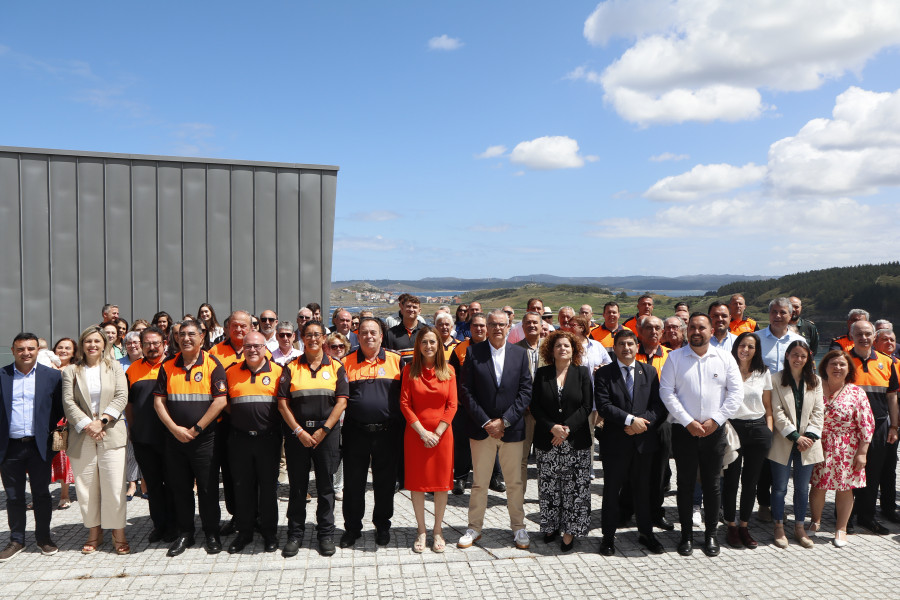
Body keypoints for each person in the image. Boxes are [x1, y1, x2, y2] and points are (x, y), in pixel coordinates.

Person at [660, 313, 743, 557]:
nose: (697, 331)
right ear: (687, 331)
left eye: (702, 327)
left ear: (711, 330)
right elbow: (667, 392)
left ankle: (710, 536)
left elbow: (735, 394)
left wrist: (715, 420)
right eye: (692, 327)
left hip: (714, 432)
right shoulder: (675, 358)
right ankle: (686, 535)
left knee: (712, 485)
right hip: (683, 431)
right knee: (685, 484)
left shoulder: (725, 358)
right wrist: (688, 422)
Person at [457, 310, 533, 550]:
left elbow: (525, 391)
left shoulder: (520, 355)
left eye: (502, 324)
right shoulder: (472, 352)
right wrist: (487, 423)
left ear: (509, 326)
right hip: (482, 430)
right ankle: (474, 527)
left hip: (512, 430)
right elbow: (466, 392)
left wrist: (505, 421)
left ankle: (518, 527)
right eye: (493, 324)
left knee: (514, 483)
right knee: (479, 482)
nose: (498, 328)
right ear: (486, 328)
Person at [153, 319, 228, 557]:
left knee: (207, 489)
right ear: (176, 338)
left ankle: (211, 533)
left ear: (202, 338)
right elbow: (158, 401)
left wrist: (196, 429)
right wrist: (175, 429)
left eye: (191, 334)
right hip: (174, 439)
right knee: (180, 489)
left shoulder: (212, 364)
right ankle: (186, 533)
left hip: (204, 439)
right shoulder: (167, 366)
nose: (186, 338)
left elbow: (220, 401)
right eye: (182, 334)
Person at [277, 321, 347, 557]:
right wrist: (299, 432)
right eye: (309, 335)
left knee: (326, 487)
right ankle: (295, 534)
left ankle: (325, 534)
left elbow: (341, 402)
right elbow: (283, 404)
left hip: (326, 435)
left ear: (324, 338)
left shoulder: (336, 367)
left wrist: (323, 430)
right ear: (301, 338)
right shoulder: (291, 367)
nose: (313, 339)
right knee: (298, 487)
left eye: (317, 335)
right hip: (298, 436)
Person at [595, 329, 667, 556]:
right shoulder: (604, 374)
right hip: (615, 442)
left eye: (630, 344)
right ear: (614, 348)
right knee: (611, 490)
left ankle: (646, 533)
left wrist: (643, 424)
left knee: (643, 489)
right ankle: (608, 537)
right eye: (621, 344)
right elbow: (604, 405)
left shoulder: (649, 371)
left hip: (643, 442)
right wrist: (630, 420)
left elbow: (658, 405)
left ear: (637, 347)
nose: (626, 348)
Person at [62, 326, 130, 555]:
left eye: (97, 341)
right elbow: (68, 403)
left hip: (110, 431)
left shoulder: (116, 368)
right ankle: (94, 532)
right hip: (82, 435)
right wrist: (88, 425)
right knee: (86, 488)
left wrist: (101, 421)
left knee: (114, 487)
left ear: (104, 344)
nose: (92, 345)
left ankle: (118, 532)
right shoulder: (71, 371)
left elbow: (122, 396)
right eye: (88, 341)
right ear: (82, 345)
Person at [339, 317, 403, 548]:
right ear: (358, 335)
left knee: (385, 483)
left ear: (381, 336)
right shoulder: (346, 362)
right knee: (354, 483)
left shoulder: (396, 361)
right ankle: (352, 528)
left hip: (387, 433)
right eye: (364, 332)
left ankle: (382, 525)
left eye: (373, 332)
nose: (369, 336)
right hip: (355, 433)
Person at [0, 333, 64, 562]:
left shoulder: (52, 377)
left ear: (38, 350)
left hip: (40, 447)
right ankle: (16, 540)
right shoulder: (2, 375)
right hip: (10, 448)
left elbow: (59, 410)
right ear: (13, 350)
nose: (26, 353)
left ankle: (44, 538)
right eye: (21, 349)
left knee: (41, 494)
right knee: (14, 496)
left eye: (30, 348)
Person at [530, 328, 595, 553]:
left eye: (567, 345)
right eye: (558, 345)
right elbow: (535, 406)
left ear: (574, 349)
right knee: (549, 487)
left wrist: (566, 430)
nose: (562, 349)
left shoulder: (582, 372)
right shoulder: (542, 373)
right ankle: (550, 526)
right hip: (548, 440)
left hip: (575, 440)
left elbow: (587, 405)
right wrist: (552, 428)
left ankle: (569, 531)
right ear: (551, 349)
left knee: (574, 488)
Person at [224, 331, 284, 554]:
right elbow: (226, 403)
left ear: (265, 347)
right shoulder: (231, 372)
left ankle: (269, 533)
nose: (252, 350)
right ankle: (245, 533)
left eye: (257, 346)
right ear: (243, 347)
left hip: (268, 440)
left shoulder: (278, 372)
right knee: (242, 488)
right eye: (248, 346)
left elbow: (283, 405)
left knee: (268, 489)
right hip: (239, 439)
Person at [399, 327, 457, 553]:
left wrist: (438, 432)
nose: (429, 346)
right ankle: (421, 531)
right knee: (418, 484)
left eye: (433, 342)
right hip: (416, 434)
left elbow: (452, 405)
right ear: (418, 345)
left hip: (442, 436)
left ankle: (438, 530)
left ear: (439, 345)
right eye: (424, 342)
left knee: (441, 485)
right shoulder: (409, 371)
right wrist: (423, 433)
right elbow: (404, 404)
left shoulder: (449, 371)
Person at [808, 350, 875, 547]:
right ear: (825, 367)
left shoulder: (856, 392)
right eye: (833, 364)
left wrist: (863, 452)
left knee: (845, 488)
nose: (837, 368)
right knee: (818, 485)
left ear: (848, 369)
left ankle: (841, 528)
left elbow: (867, 424)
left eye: (842, 365)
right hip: (818, 443)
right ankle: (815, 522)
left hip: (847, 446)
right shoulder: (815, 387)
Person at [768, 340, 823, 549]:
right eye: (794, 355)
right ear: (787, 356)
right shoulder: (775, 379)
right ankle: (779, 525)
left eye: (802, 355)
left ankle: (799, 526)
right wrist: (795, 436)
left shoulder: (815, 381)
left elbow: (819, 412)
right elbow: (776, 411)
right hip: (784, 440)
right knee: (780, 487)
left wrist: (808, 436)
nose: (798, 359)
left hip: (808, 443)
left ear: (808, 357)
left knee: (801, 488)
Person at [846, 320, 899, 535]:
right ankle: (846, 517)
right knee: (848, 473)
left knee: (873, 473)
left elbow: (892, 397)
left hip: (878, 426)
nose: (863, 337)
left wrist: (894, 426)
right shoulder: (843, 360)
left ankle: (867, 518)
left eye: (868, 333)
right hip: (849, 426)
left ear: (874, 336)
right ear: (851, 335)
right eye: (858, 333)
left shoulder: (887, 362)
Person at [722, 332, 773, 549]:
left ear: (756, 350)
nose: (745, 349)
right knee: (731, 480)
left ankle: (744, 525)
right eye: (742, 345)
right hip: (733, 429)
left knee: (750, 482)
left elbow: (768, 406)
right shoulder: (727, 370)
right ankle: (731, 526)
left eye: (750, 347)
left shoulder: (763, 372)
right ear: (735, 347)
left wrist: (768, 431)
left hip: (758, 429)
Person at [125, 326, 176, 544]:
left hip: (171, 438)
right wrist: (134, 430)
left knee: (174, 484)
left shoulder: (175, 365)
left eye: (156, 343)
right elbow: (129, 405)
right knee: (153, 486)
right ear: (141, 346)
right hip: (144, 439)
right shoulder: (133, 369)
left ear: (165, 343)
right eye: (147, 344)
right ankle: (159, 525)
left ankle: (177, 526)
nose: (152, 347)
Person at [874, 328, 900, 521]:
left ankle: (889, 506)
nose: (889, 343)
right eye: (885, 339)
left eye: (892, 340)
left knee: (891, 465)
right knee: (877, 465)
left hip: (895, 421)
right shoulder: (877, 363)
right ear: (875, 342)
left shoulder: (897, 363)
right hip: (882, 420)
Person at [51, 338, 77, 509]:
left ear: (74, 352)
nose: (63, 350)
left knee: (63, 457)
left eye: (68, 348)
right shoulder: (45, 368)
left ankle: (64, 494)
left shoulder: (76, 369)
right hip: (47, 417)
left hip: (67, 418)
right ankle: (41, 495)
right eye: (60, 347)